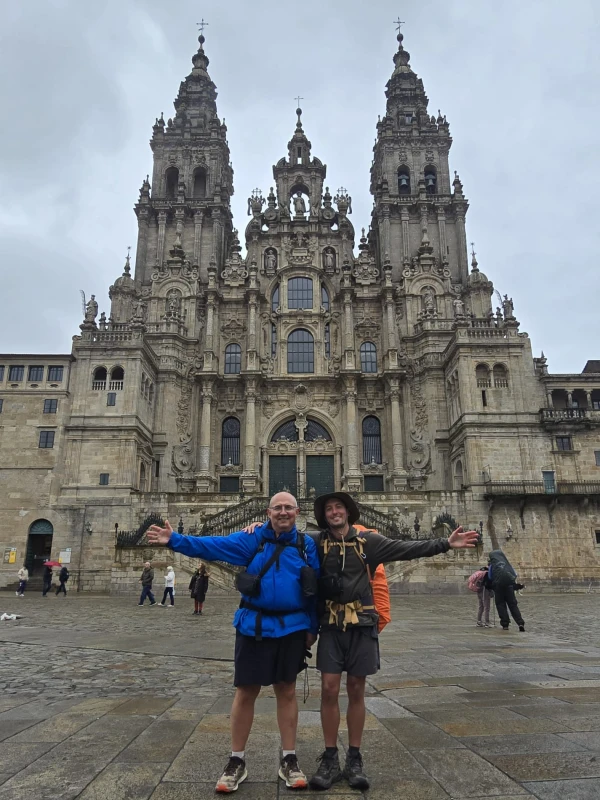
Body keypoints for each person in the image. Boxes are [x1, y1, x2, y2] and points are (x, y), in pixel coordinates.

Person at [244, 492, 479, 791]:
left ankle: (354, 757)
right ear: (323, 515)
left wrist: (445, 543)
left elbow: (407, 548)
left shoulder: (371, 542)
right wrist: (257, 526)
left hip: (362, 623)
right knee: (328, 688)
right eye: (328, 509)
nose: (333, 512)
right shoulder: (314, 541)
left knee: (356, 689)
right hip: (330, 624)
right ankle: (330, 757)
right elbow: (284, 532)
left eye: (338, 507)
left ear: (349, 511)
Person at [147, 491, 320, 793]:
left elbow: (314, 589)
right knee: (246, 691)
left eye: (288, 508)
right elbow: (213, 546)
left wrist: (313, 627)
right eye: (277, 508)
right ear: (268, 512)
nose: (282, 512)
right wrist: (175, 540)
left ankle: (289, 758)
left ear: (298, 512)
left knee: (287, 691)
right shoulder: (251, 540)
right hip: (254, 626)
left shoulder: (307, 545)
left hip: (292, 627)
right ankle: (236, 759)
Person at [488, 550, 525, 632]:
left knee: (501, 605)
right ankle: (520, 623)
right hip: (509, 587)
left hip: (498, 588)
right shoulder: (506, 564)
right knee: (513, 605)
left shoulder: (493, 565)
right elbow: (514, 574)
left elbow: (490, 577)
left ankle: (505, 624)